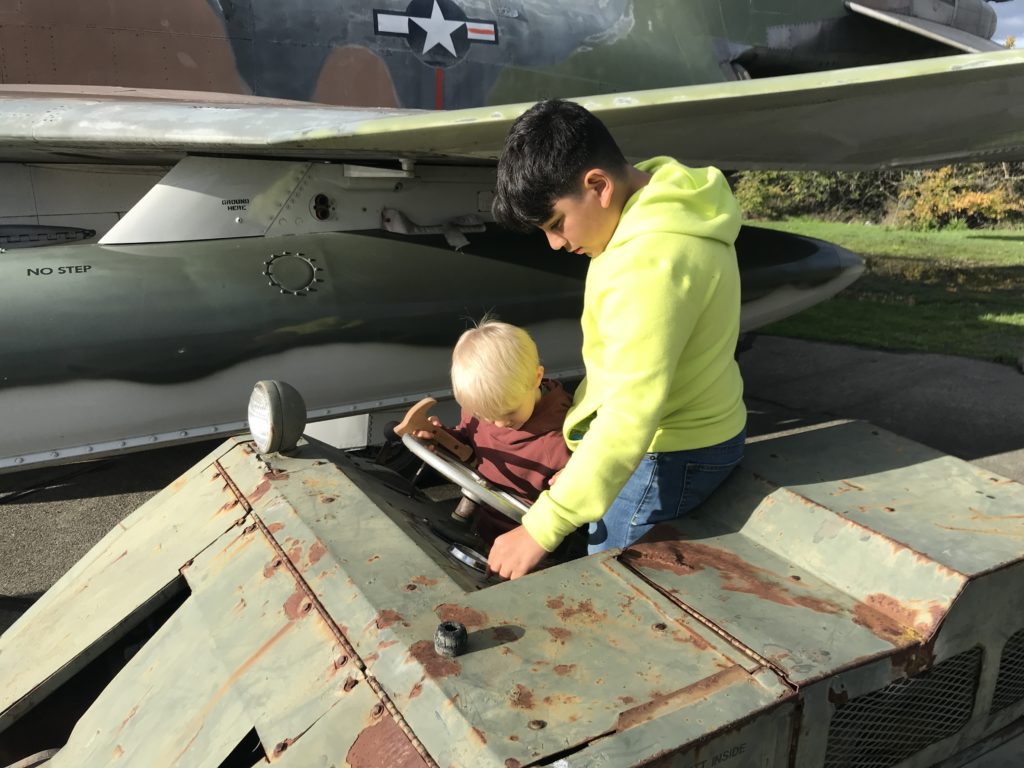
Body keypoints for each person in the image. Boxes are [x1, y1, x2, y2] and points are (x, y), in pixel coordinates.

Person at [487, 98, 747, 580]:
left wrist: (541, 528)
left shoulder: (649, 265)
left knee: (614, 582)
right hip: (697, 424)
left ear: (598, 186)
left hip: (669, 452)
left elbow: (631, 416)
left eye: (556, 224)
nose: (557, 244)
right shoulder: (667, 195)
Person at [412, 319, 572, 512]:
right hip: (480, 511)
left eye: (509, 413)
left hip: (522, 529)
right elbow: (469, 444)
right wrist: (442, 438)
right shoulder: (482, 411)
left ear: (536, 378)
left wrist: (571, 478)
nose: (499, 424)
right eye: (484, 416)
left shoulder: (561, 437)